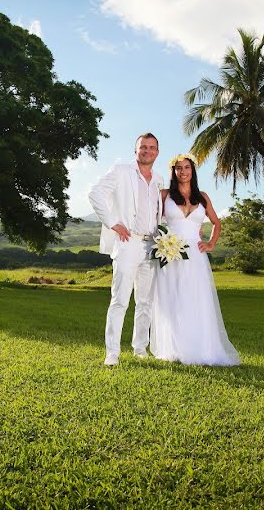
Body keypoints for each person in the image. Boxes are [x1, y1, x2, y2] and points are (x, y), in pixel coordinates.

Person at [150, 154, 240, 366]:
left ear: (193, 170)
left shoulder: (203, 197)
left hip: (196, 257)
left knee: (197, 300)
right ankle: (174, 347)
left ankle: (201, 347)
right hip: (171, 256)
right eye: (178, 168)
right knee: (174, 299)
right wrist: (160, 241)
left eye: (187, 167)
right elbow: (150, 220)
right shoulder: (164, 195)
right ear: (173, 171)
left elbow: (217, 224)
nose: (183, 171)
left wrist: (210, 244)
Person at [88, 133, 164, 366]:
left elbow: (158, 213)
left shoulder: (159, 179)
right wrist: (113, 223)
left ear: (157, 152)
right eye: (143, 147)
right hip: (127, 242)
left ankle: (140, 348)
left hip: (151, 245)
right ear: (136, 150)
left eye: (152, 148)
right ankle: (112, 353)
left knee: (145, 302)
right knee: (120, 299)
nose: (147, 151)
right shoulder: (121, 171)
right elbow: (95, 193)